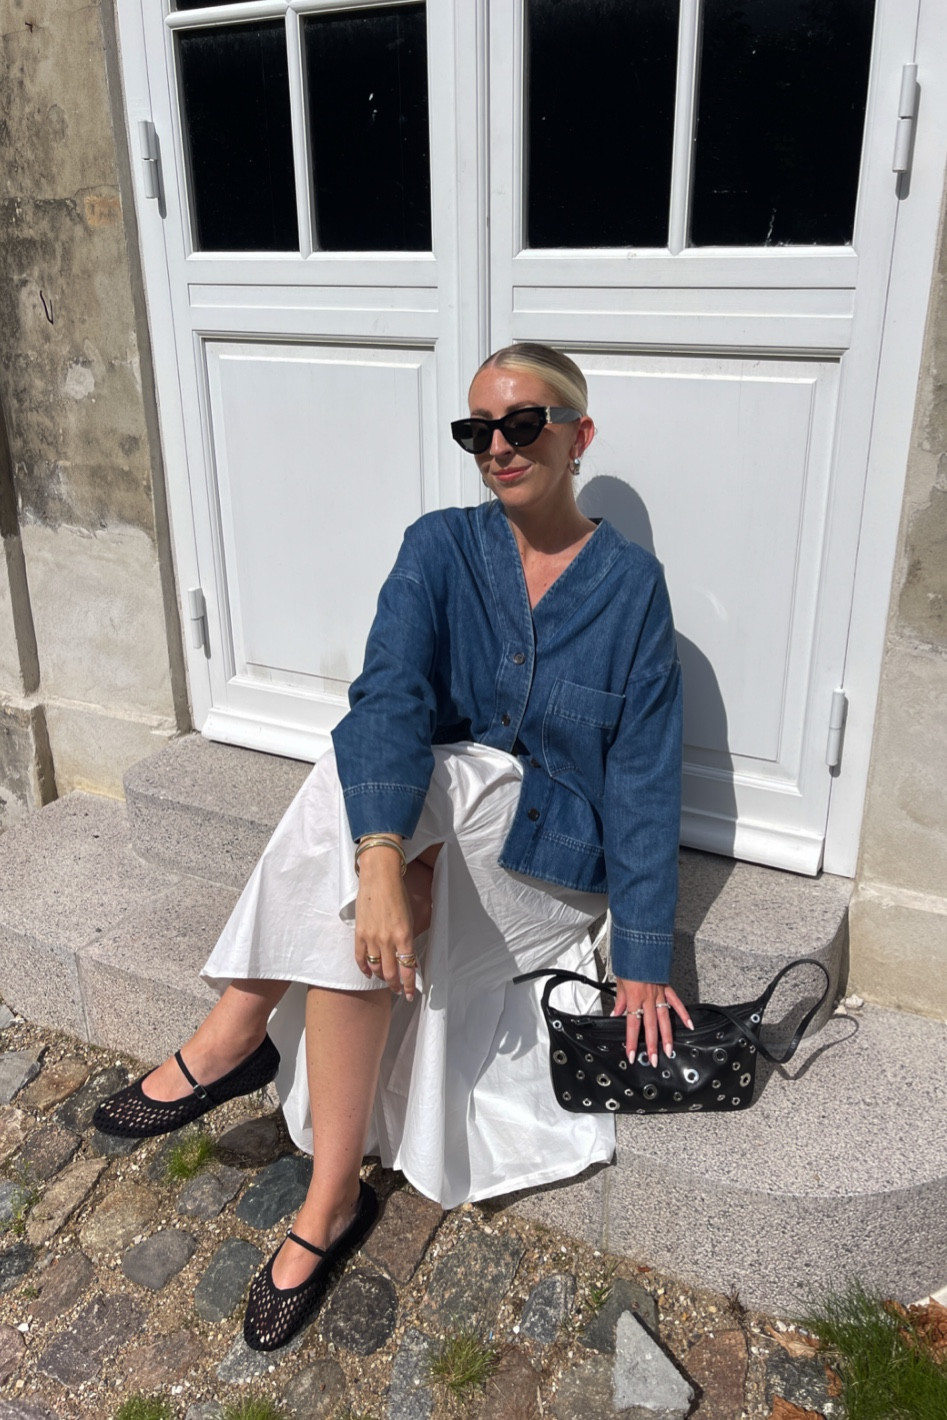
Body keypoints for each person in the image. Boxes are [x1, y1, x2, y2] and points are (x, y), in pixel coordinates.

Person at [92, 343, 690, 1352]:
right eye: (476, 431)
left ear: (577, 435)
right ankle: (328, 1199)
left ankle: (236, 1029)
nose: (497, 447)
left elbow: (642, 777)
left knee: (377, 784)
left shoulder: (631, 588)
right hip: (428, 828)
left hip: (540, 865)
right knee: (372, 775)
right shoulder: (438, 548)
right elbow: (389, 693)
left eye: (522, 424)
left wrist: (640, 952)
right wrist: (387, 861)